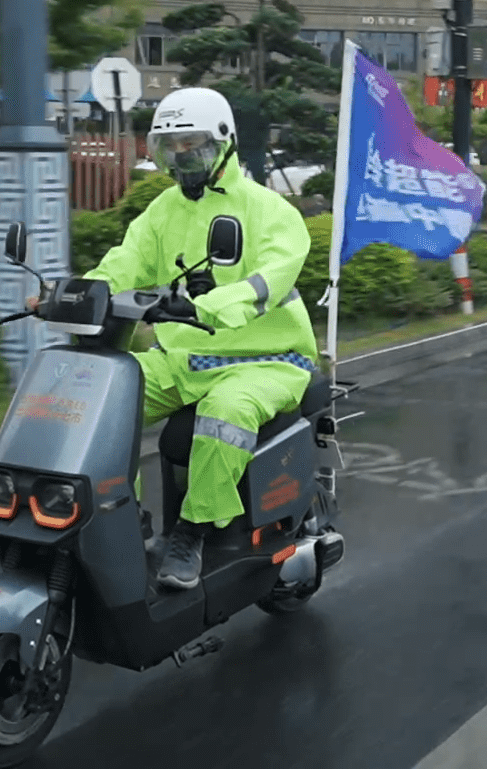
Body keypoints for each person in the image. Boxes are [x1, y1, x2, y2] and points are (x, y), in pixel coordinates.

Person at [80, 87, 319, 590]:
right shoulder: (164, 209)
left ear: (226, 143)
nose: (183, 158)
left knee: (225, 414)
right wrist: (86, 292)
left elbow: (269, 281)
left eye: (195, 145)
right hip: (185, 355)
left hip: (266, 360)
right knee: (102, 392)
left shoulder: (269, 210)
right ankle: (125, 523)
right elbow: (128, 260)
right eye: (170, 148)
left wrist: (202, 307)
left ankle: (193, 531)